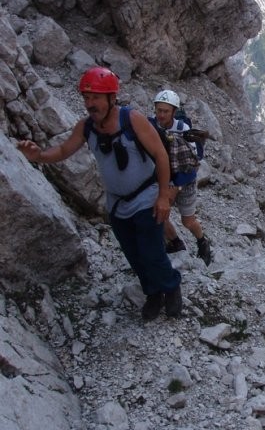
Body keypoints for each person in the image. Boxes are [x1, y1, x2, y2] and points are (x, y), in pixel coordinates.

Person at [17, 66, 182, 321]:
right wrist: (38, 155)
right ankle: (152, 293)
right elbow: (62, 151)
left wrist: (163, 196)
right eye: (86, 97)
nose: (89, 103)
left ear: (111, 98)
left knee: (151, 252)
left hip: (146, 196)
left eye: (95, 97)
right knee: (134, 254)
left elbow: (161, 155)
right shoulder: (87, 127)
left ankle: (170, 287)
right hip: (117, 204)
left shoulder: (132, 119)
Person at [152, 90, 212, 266]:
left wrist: (176, 185)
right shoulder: (151, 126)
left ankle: (202, 242)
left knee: (187, 220)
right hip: (163, 179)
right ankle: (175, 244)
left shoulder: (183, 130)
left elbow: (193, 160)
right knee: (158, 213)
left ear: (173, 112)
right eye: (159, 110)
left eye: (166, 111)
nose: (161, 114)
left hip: (184, 180)